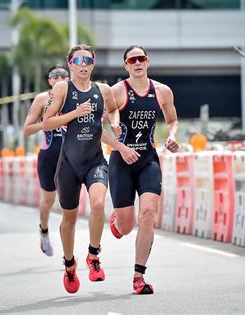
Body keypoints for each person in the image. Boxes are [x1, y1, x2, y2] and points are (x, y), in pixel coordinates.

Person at [43, 44, 123, 294]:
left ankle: (93, 255)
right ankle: (69, 264)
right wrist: (75, 113)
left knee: (98, 204)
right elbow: (47, 123)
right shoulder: (62, 88)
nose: (83, 64)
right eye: (78, 60)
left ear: (93, 64)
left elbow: (112, 110)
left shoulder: (103, 89)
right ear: (70, 64)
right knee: (69, 219)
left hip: (95, 161)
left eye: (88, 60)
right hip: (68, 164)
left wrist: (115, 124)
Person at [109, 45, 179, 295]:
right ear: (126, 65)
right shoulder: (116, 92)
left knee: (148, 212)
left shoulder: (162, 91)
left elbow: (172, 120)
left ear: (148, 62)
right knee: (126, 227)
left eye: (141, 58)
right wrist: (117, 136)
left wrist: (172, 136)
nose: (137, 62)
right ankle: (119, 220)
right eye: (132, 60)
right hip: (121, 162)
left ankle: (139, 277)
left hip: (148, 159)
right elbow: (107, 122)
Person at [23, 65, 70, 257]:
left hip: (70, 156)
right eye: (54, 76)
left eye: (63, 75)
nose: (58, 78)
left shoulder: (75, 97)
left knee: (69, 203)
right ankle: (43, 230)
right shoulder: (43, 99)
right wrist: (49, 122)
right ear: (49, 81)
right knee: (49, 200)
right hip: (49, 156)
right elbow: (26, 130)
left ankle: (68, 251)